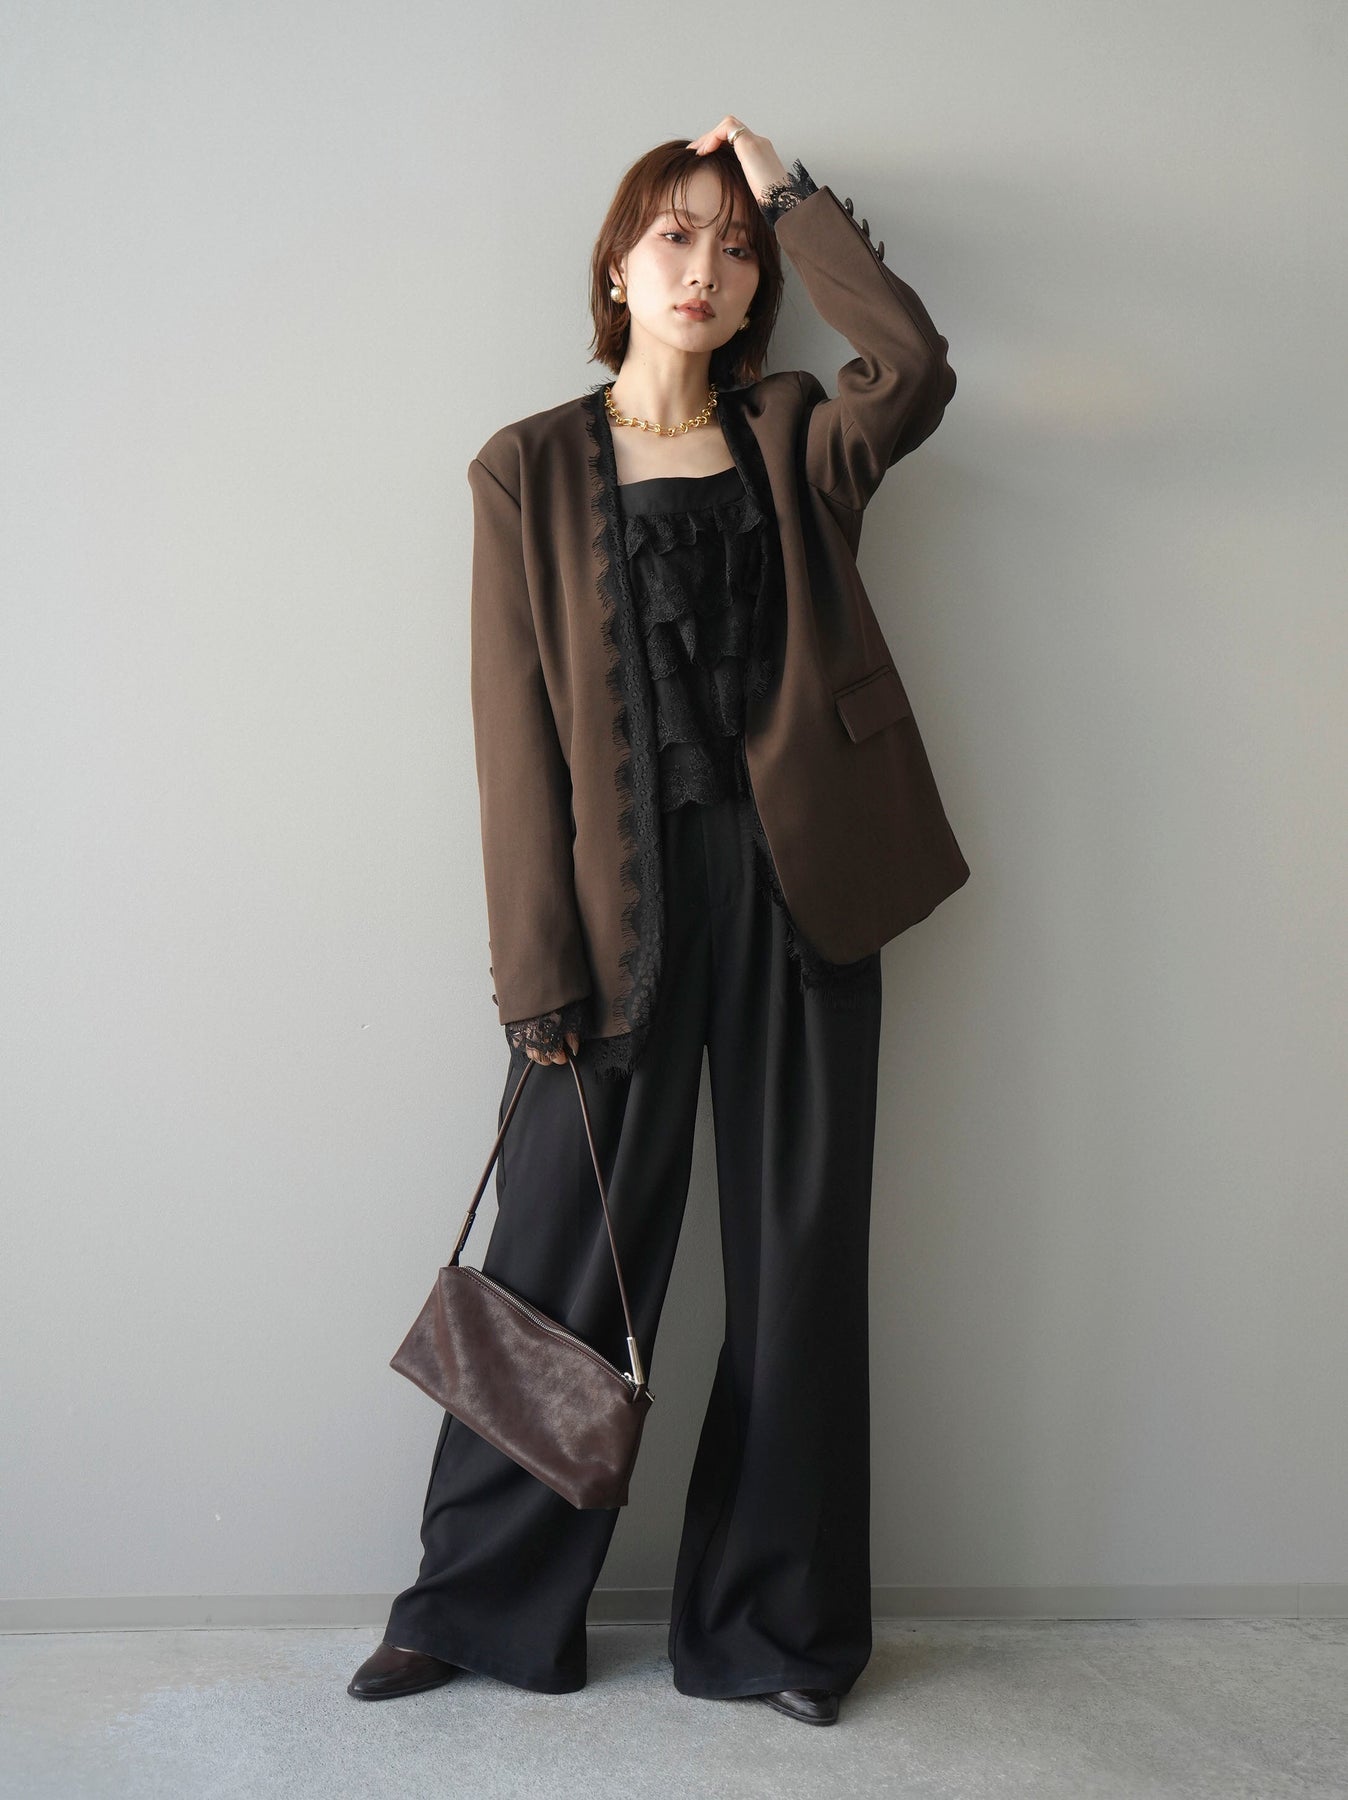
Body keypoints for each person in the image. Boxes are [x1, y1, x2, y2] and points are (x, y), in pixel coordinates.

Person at [349, 114, 967, 1727]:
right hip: (618, 914)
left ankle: (776, 1630)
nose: (709, 267)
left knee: (795, 1261)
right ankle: (476, 1608)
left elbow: (912, 367)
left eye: (736, 247)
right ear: (618, 268)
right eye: (676, 236)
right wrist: (534, 966)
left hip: (805, 900)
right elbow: (515, 744)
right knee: (556, 1252)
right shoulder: (527, 466)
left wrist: (790, 193)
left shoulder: (796, 434)